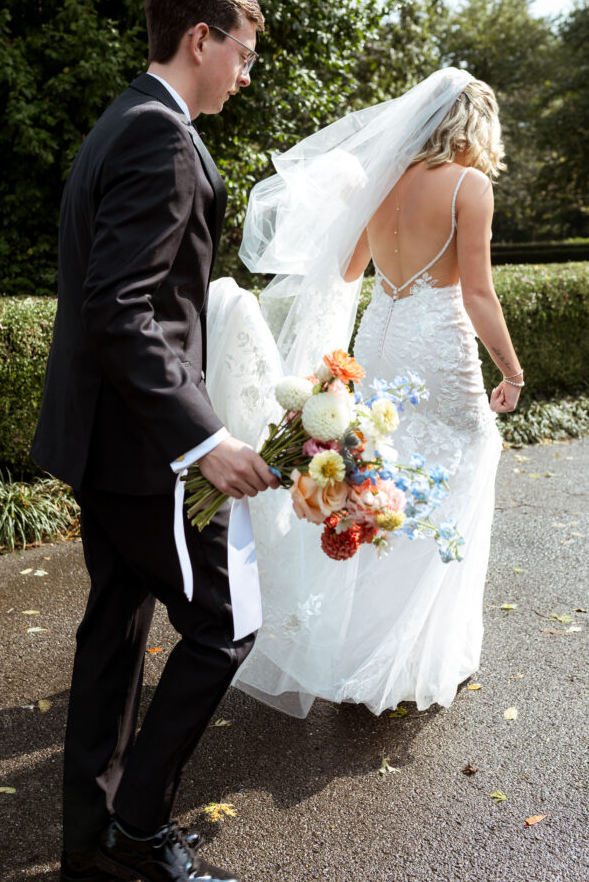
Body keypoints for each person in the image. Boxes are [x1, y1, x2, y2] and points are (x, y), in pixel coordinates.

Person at [31, 0, 278, 882]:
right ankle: (138, 833)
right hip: (145, 451)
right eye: (242, 54)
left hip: (105, 442)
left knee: (116, 630)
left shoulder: (119, 122)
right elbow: (122, 308)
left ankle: (87, 844)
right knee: (221, 627)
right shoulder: (162, 139)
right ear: (199, 38)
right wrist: (203, 439)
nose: (245, 75)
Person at [206, 69, 522, 719]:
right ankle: (417, 654)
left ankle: (358, 647)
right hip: (438, 349)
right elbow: (477, 294)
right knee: (459, 472)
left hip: (379, 339)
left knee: (384, 479)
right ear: (474, 127)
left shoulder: (380, 182)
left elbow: (347, 270)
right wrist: (511, 371)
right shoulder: (469, 185)